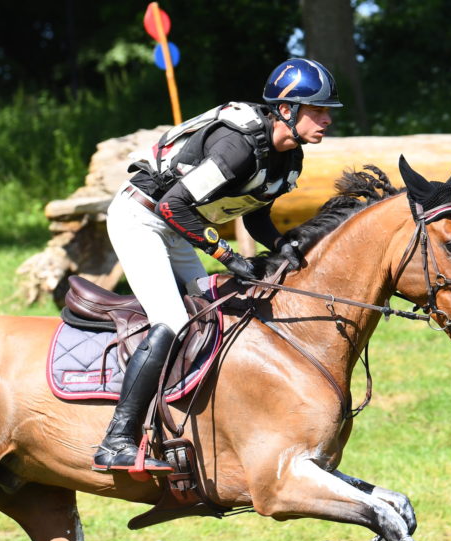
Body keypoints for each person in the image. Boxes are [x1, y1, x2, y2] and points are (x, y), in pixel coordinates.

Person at [92, 57, 342, 473]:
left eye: (327, 111)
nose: (326, 120)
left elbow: (254, 215)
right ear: (286, 110)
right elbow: (174, 205)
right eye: (317, 110)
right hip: (141, 217)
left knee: (216, 312)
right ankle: (117, 438)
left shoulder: (289, 157)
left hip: (176, 226)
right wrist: (227, 257)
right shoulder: (238, 146)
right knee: (171, 321)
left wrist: (283, 247)